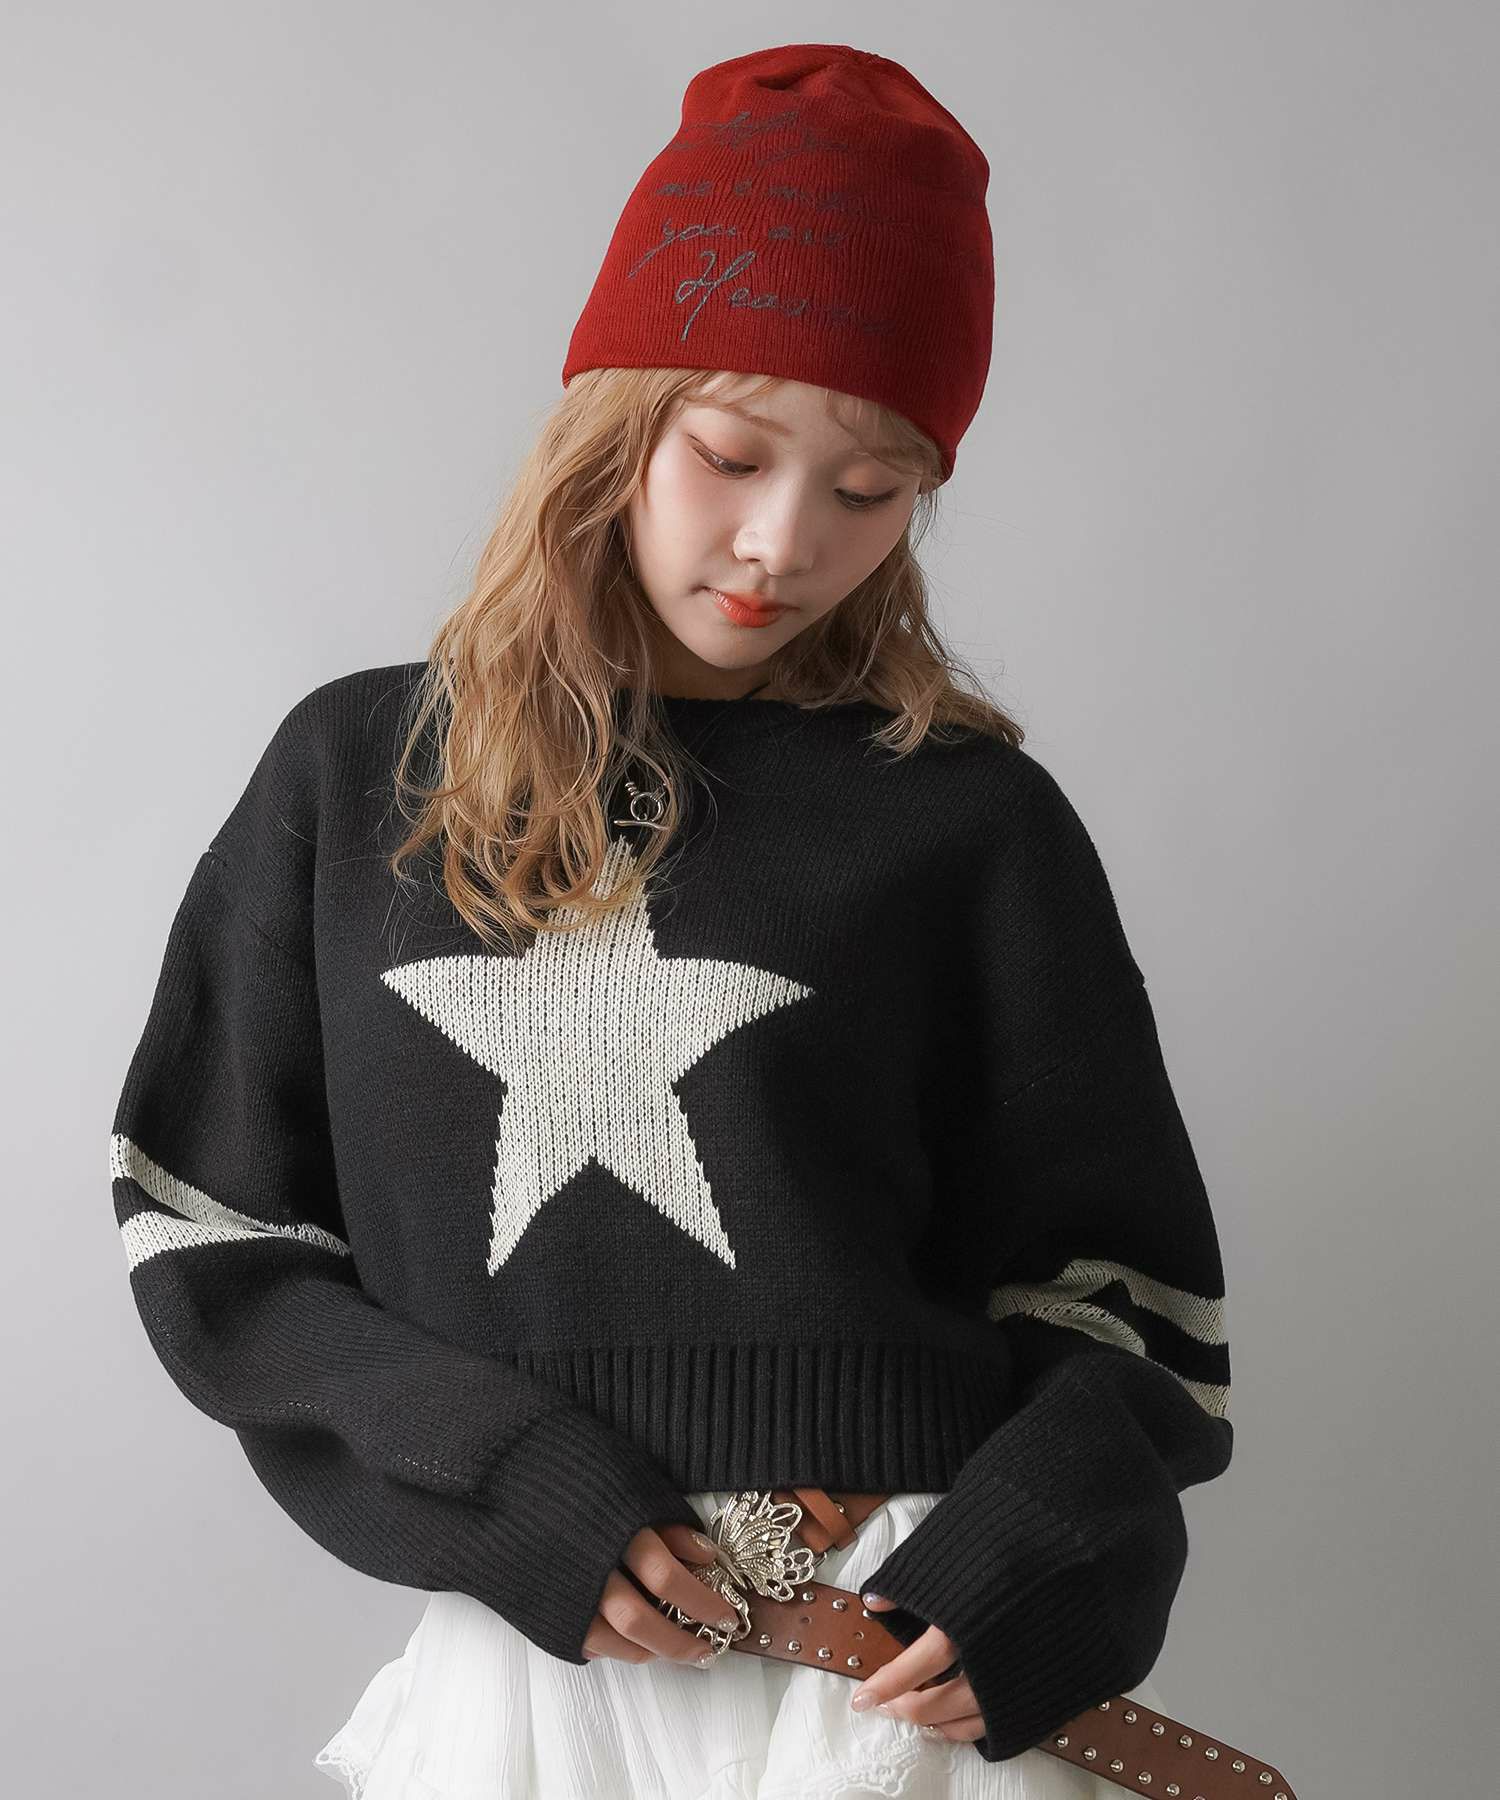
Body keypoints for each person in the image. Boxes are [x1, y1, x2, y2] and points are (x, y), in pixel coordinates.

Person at [108, 42, 1231, 1800]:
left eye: (870, 490)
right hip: (537, 1664)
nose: (783, 543)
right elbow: (210, 1234)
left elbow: (1134, 1304)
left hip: (894, 1660)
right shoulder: (355, 775)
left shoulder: (968, 820)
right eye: (727, 454)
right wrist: (501, 1478)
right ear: (614, 424)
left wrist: (1031, 1552)